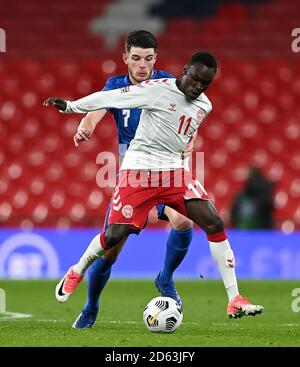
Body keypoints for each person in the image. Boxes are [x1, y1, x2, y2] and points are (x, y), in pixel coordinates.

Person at [44, 51, 264, 319]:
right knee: (113, 236)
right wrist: (70, 107)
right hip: (138, 171)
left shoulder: (205, 105)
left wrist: (188, 143)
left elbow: (181, 130)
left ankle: (234, 298)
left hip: (173, 173)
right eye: (195, 80)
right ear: (185, 71)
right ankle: (77, 270)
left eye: (205, 83)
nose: (198, 87)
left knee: (213, 222)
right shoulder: (156, 91)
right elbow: (108, 98)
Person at [65, 30, 195, 329]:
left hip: (167, 168)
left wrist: (190, 140)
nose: (142, 65)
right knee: (111, 248)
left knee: (184, 221)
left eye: (148, 59)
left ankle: (165, 278)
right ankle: (91, 306)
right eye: (136, 58)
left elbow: (191, 116)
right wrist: (86, 126)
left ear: (155, 59)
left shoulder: (169, 84)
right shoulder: (115, 86)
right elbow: (95, 110)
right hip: (133, 174)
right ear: (125, 58)